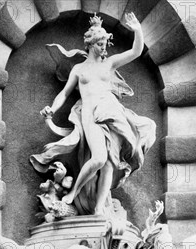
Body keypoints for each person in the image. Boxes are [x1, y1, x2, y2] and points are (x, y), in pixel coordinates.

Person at [33, 12, 156, 215]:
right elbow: (63, 94)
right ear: (90, 44)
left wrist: (138, 30)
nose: (104, 48)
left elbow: (136, 51)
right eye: (100, 44)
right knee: (99, 158)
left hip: (111, 111)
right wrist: (52, 109)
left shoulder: (109, 64)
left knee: (110, 162)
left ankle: (99, 207)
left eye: (105, 44)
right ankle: (74, 192)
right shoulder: (79, 70)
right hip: (90, 114)